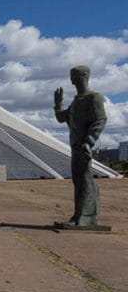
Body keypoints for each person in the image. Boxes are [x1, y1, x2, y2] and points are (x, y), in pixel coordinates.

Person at [54, 65, 107, 226]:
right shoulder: (76, 101)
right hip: (75, 146)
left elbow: (100, 120)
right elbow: (62, 118)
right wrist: (58, 104)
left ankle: (86, 217)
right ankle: (79, 215)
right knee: (78, 180)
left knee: (85, 178)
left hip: (83, 146)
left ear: (83, 75)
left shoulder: (94, 97)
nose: (71, 78)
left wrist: (89, 141)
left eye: (74, 74)